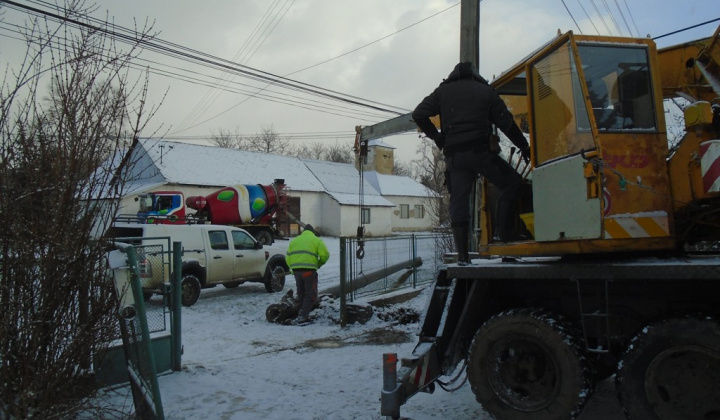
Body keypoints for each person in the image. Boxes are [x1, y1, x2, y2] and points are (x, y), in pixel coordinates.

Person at [412, 62, 531, 264]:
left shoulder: (443, 91)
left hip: (455, 156)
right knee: (511, 183)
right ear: (476, 76)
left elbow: (418, 114)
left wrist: (438, 137)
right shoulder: (485, 91)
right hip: (480, 152)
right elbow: (507, 124)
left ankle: (463, 257)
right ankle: (505, 232)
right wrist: (525, 148)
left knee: (459, 200)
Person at [285, 224, 330, 325]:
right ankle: (302, 317)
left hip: (297, 271)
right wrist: (318, 264)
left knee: (301, 294)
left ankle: (299, 314)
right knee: (310, 295)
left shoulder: (295, 241)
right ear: (312, 232)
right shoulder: (316, 240)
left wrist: (293, 269)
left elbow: (287, 258)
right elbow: (325, 255)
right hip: (309, 271)